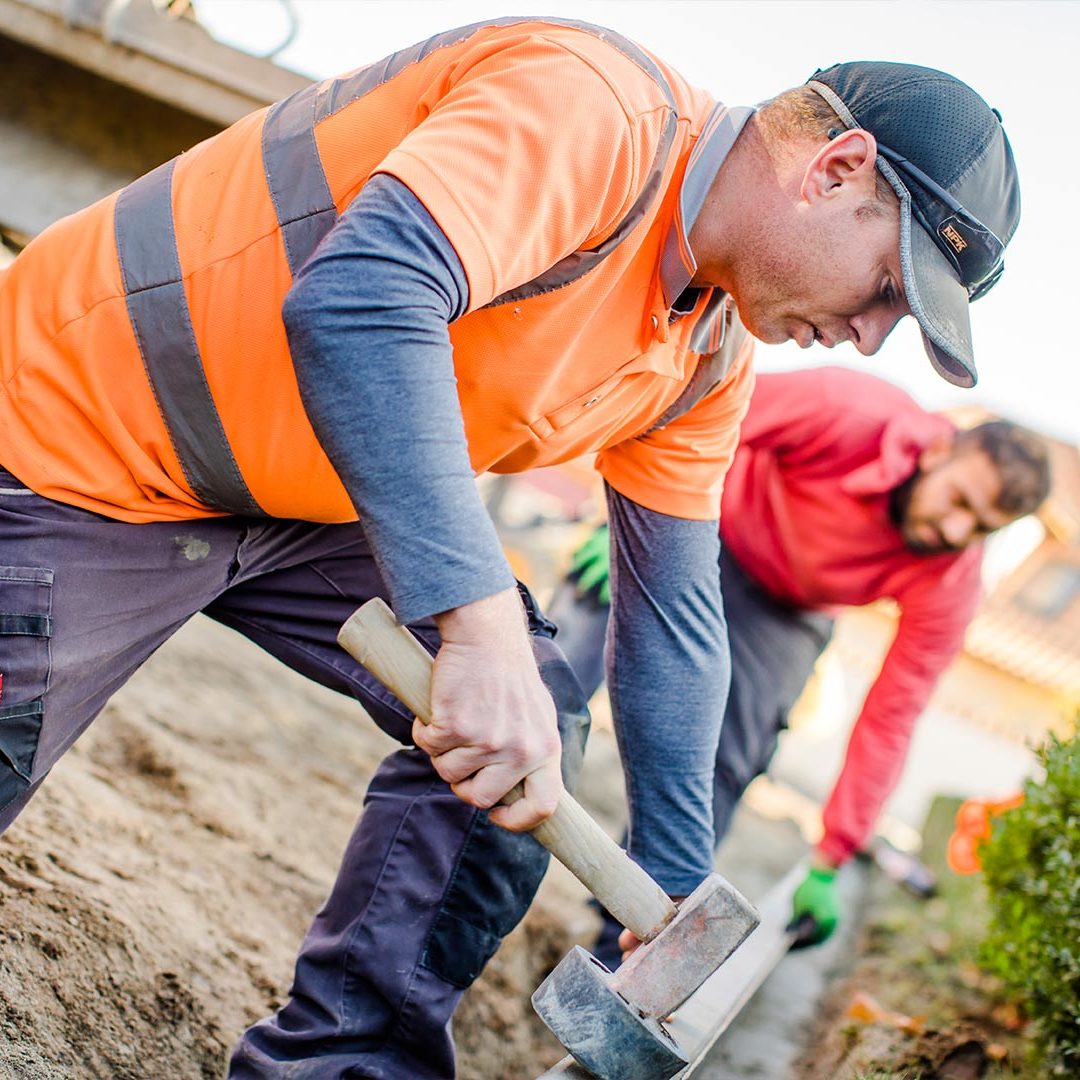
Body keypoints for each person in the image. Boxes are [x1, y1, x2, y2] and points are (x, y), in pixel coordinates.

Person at [0, 16, 1020, 1078]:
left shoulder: (708, 354)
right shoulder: (594, 110)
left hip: (306, 505)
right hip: (84, 428)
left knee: (527, 734)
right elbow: (363, 298)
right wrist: (476, 626)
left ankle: (339, 1067)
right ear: (836, 168)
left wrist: (672, 890)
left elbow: (673, 613)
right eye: (889, 289)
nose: (870, 336)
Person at [554, 366, 1050, 960]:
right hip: (703, 523)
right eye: (959, 501)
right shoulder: (849, 410)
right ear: (939, 448)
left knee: (727, 756)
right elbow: (703, 418)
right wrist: (624, 522)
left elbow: (891, 715)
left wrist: (832, 857)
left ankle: (626, 943)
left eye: (981, 528)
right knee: (562, 661)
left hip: (791, 611)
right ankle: (469, 822)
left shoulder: (951, 578)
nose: (954, 529)